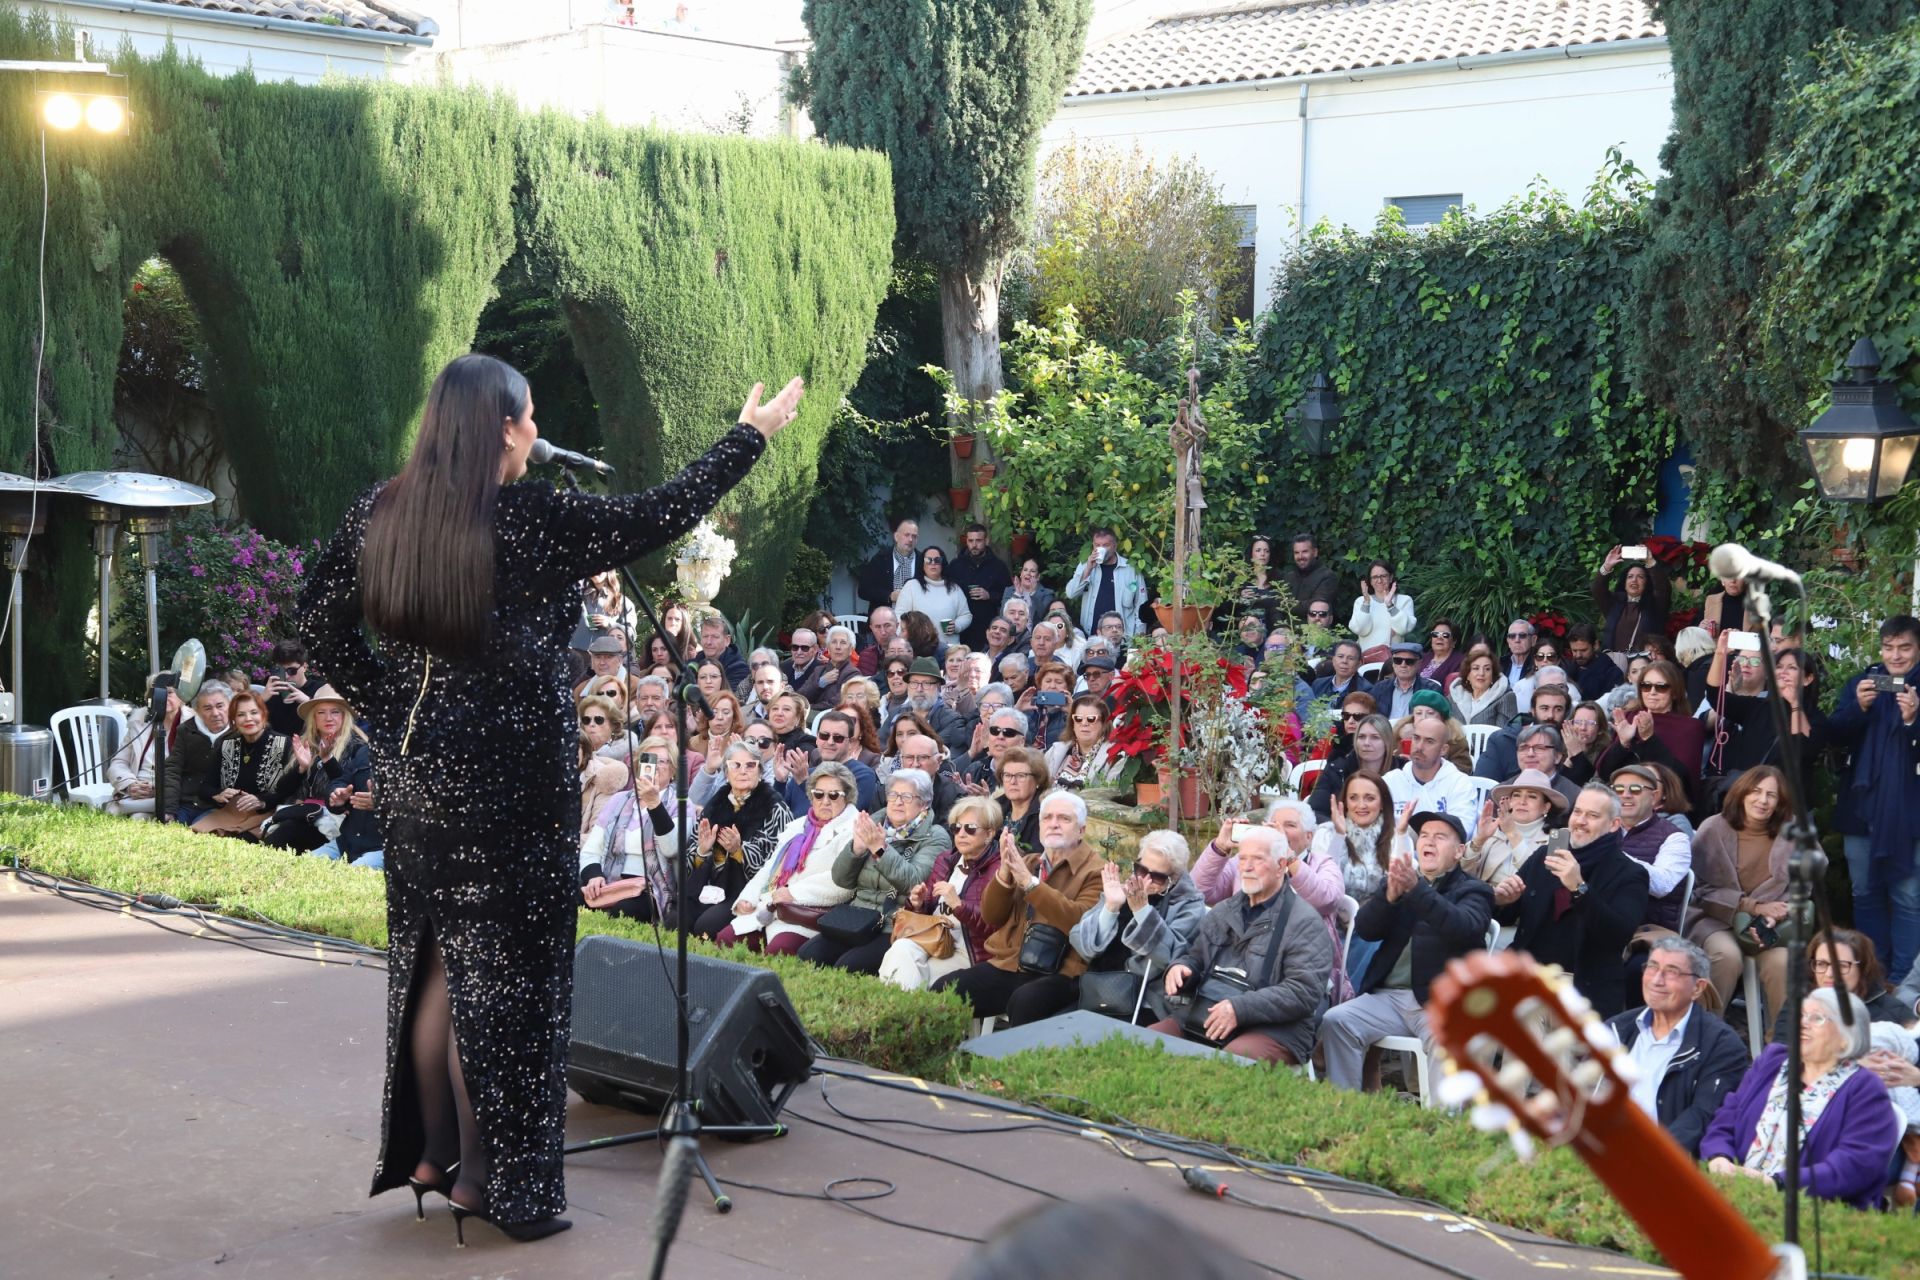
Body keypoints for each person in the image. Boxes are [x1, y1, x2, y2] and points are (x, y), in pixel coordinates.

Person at [298, 353, 799, 1241]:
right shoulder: (530, 517)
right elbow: (656, 514)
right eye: (529, 416)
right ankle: (493, 1183)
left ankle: (432, 1155)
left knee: (437, 969)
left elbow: (319, 617)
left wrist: (381, 697)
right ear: (502, 426)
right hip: (510, 783)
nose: (537, 429)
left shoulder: (384, 508)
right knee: (517, 988)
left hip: (417, 776)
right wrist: (747, 439)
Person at [1319, 810, 1494, 1090]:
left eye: (1440, 837)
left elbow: (1465, 928)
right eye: (1424, 835)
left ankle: (1442, 1126)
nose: (1429, 841)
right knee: (1337, 1021)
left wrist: (1417, 891)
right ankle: (1346, 1110)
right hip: (1388, 998)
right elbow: (1365, 929)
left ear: (1460, 851)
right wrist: (1388, 898)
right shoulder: (1401, 881)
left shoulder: (1474, 890)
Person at [1701, 988, 1901, 1208]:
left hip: (1807, 1208)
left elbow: (1856, 1164)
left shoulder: (1865, 1088)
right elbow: (1727, 1116)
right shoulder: (1772, 1061)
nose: (1803, 1024)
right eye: (1801, 1016)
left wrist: (1776, 1184)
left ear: (1846, 1037)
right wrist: (1719, 1156)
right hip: (1735, 1189)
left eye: (1817, 1018)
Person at [1151, 825, 1333, 1063]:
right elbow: (1195, 956)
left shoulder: (1305, 922)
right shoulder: (1225, 910)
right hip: (1206, 1012)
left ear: (1281, 865)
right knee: (1144, 1044)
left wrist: (1240, 1009)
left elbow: (1303, 992)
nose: (1246, 867)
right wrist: (1182, 968)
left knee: (1227, 1065)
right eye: (1243, 858)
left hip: (1275, 1028)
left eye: (1257, 859)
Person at [933, 790, 1104, 1024]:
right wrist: (1004, 875)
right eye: (1047, 818)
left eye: (1064, 819)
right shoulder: (1029, 862)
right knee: (945, 989)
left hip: (1062, 971)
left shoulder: (1096, 871)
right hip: (1011, 963)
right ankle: (947, 1059)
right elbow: (992, 916)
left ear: (1081, 830)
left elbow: (1078, 922)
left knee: (1026, 1001)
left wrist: (1030, 884)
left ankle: (1007, 1061)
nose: (1053, 824)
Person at [1497, 783, 1650, 1018]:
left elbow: (1618, 934)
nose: (1580, 821)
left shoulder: (1629, 874)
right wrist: (1503, 899)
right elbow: (1505, 914)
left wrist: (1579, 888)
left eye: (1592, 815)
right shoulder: (1545, 856)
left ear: (1613, 825)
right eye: (1578, 812)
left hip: (1580, 985)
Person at [1829, 615, 1920, 983]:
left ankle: (1905, 982)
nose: (1895, 656)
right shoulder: (1862, 682)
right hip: (1862, 809)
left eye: (1904, 648)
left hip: (1909, 812)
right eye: (1888, 647)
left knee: (1908, 897)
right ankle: (1873, 976)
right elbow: (1834, 734)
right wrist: (1858, 709)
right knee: (1863, 891)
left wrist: (1914, 720)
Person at [1601, 937, 1751, 1156]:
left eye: (1671, 972)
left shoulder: (1721, 1045)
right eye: (1652, 967)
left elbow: (1703, 1115)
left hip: (1659, 1162)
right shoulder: (1616, 1029)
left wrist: (1649, 1156)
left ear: (1698, 988)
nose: (1656, 980)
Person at [797, 768, 952, 972]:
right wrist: (856, 850)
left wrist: (880, 849)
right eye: (893, 795)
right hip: (856, 918)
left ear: (924, 803)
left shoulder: (935, 837)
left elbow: (914, 882)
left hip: (893, 925)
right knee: (808, 955)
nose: (897, 802)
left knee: (848, 967)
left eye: (906, 797)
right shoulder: (872, 824)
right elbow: (841, 879)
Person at [714, 762, 860, 955]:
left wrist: (794, 894)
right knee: (725, 940)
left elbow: (843, 883)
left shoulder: (853, 830)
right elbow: (770, 868)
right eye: (819, 794)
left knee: (779, 951)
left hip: (808, 914)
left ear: (847, 798)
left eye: (833, 795)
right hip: (770, 907)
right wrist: (748, 898)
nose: (825, 801)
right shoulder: (797, 826)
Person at [1069, 829, 1208, 1023]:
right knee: (1032, 998)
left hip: (1146, 997)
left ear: (1174, 877)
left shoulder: (1189, 904)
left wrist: (1143, 912)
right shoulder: (1126, 888)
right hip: (1096, 986)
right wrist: (1111, 907)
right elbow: (1080, 943)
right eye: (1141, 870)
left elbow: (1171, 956)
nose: (1145, 880)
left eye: (1157, 877)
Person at [1686, 767, 1792, 1019]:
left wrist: (1776, 914)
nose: (1763, 800)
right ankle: (1706, 1036)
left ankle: (1780, 1049)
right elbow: (1701, 889)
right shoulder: (1713, 828)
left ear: (1780, 802)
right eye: (1756, 792)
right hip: (1715, 921)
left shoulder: (1793, 835)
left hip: (1770, 926)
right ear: (1742, 793)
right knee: (1727, 956)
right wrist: (1752, 907)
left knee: (1782, 963)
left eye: (1771, 795)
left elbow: (1804, 886)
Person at [885, 795, 1005, 991]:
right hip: (933, 937)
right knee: (899, 951)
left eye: (971, 829)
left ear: (990, 834)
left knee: (920, 979)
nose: (961, 834)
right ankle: (902, 1013)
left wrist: (958, 905)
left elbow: (993, 927)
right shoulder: (947, 859)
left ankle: (899, 1014)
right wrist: (919, 903)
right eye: (956, 828)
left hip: (967, 949)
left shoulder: (999, 868)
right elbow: (929, 909)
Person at [271, 684, 380, 863]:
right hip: (301, 814)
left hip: (333, 822)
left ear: (344, 715)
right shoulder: (305, 742)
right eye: (321, 712)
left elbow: (343, 785)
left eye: (335, 712)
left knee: (287, 833)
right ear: (314, 717)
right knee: (280, 832)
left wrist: (328, 760)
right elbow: (282, 790)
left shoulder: (358, 746)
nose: (328, 718)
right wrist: (301, 769)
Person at [1596, 659, 1706, 810]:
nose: (1652, 692)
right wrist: (1623, 743)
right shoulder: (1630, 718)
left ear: (1674, 692)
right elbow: (1605, 772)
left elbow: (1681, 779)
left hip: (1665, 808)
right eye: (1646, 686)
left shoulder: (1690, 727)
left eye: (1661, 687)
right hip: (1622, 802)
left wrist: (1649, 739)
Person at [191, 690, 296, 836]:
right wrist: (218, 794)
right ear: (233, 720)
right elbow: (205, 787)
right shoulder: (227, 745)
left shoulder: (283, 743)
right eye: (241, 715)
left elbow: (290, 790)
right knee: (195, 833)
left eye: (254, 712)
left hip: (267, 815)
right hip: (229, 813)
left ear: (263, 715)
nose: (248, 719)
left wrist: (262, 801)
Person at [1609, 763, 1692, 932]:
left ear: (1653, 797)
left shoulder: (1675, 837)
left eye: (1635, 789)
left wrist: (1611, 855)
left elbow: (1662, 885)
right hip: (1598, 920)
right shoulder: (1601, 827)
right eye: (1618, 789)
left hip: (1646, 930)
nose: (1625, 795)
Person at [1462, 767, 1563, 890]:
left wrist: (1512, 833)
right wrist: (1479, 840)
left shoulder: (1559, 838)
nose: (1522, 801)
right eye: (1516, 795)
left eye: (1532, 796)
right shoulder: (1494, 828)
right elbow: (1463, 873)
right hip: (1486, 900)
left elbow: (1545, 883)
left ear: (1546, 807)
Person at [1384, 715, 1480, 839]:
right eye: (1416, 738)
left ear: (1443, 750)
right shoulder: (1391, 780)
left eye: (1429, 741)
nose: (1419, 746)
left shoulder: (1460, 784)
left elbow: (1462, 832)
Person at [105, 678, 186, 818]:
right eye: (157, 693)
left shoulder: (192, 725)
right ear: (150, 698)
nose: (163, 697)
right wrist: (130, 786)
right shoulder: (139, 723)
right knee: (132, 818)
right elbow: (118, 763)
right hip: (137, 792)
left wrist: (160, 789)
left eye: (170, 692)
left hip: (172, 794)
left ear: (182, 697)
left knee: (138, 819)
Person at [1308, 706, 1401, 823]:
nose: (1366, 743)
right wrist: (1340, 830)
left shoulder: (1402, 771)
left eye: (1375, 737)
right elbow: (1315, 811)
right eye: (1361, 737)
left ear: (1387, 742)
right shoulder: (1337, 770)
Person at [1473, 683, 1574, 783]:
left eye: (1558, 709)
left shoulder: (1571, 743)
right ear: (1532, 711)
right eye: (1544, 708)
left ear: (1566, 713)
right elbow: (1483, 783)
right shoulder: (1502, 740)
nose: (1550, 715)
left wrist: (1573, 759)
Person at [164, 680, 231, 825]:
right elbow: (172, 770)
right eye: (207, 708)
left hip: (220, 807)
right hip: (187, 803)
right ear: (197, 711)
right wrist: (169, 810)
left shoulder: (239, 732)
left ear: (230, 706)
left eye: (220, 706)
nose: (215, 713)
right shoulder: (186, 730)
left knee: (200, 831)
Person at [1593, 544, 1672, 666]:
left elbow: (1663, 589)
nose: (1634, 580)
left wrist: (1650, 561)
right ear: (1624, 583)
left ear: (1647, 583)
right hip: (1613, 665)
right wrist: (1607, 566)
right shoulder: (1614, 602)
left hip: (1644, 665)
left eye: (1640, 577)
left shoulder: (1655, 605)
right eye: (1630, 577)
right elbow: (1598, 590)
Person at [1065, 527, 1147, 638]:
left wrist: (1139, 638)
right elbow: (1070, 594)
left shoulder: (1130, 569)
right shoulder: (1085, 565)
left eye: (1105, 545)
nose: (1100, 548)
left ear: (1115, 546)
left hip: (1122, 640)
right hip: (1092, 638)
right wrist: (1088, 570)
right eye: (1097, 545)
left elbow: (1141, 605)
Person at [947, 523, 1013, 648]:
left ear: (986, 541)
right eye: (971, 540)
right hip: (961, 627)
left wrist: (989, 595)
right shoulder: (956, 565)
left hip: (987, 626)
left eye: (978, 540)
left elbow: (1008, 596)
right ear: (966, 541)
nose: (974, 545)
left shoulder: (998, 566)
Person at [895, 545, 970, 647]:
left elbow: (966, 615)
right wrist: (903, 640)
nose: (933, 563)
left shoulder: (954, 588)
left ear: (942, 563)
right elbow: (899, 615)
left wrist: (956, 626)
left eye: (937, 560)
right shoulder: (911, 586)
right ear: (922, 564)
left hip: (949, 650)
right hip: (919, 647)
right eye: (928, 560)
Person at [1044, 693, 1118, 789]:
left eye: (1091, 719)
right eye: (1078, 719)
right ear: (1072, 723)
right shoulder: (1055, 751)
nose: (1084, 723)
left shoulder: (1115, 755)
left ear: (1104, 724)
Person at [1349, 560, 1416, 662]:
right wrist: (1367, 602)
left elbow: (1403, 629)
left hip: (1393, 663)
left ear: (1391, 577)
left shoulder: (1404, 600)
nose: (1379, 580)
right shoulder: (1361, 601)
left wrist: (1390, 605)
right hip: (1365, 661)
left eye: (1383, 576)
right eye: (1375, 577)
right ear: (1370, 581)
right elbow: (1361, 630)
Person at [260, 638, 323, 737]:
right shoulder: (271, 692)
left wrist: (308, 703)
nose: (287, 676)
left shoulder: (320, 690)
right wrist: (261, 700)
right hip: (277, 749)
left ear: (304, 667)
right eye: (280, 671)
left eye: (292, 671)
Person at [857, 516, 919, 614]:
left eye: (914, 536)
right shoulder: (881, 559)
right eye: (907, 535)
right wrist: (889, 596)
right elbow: (863, 590)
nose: (910, 539)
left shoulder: (923, 561)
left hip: (915, 621)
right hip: (884, 621)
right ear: (896, 536)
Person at [1368, 641, 1441, 720]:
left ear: (1419, 664)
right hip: (1384, 731)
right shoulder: (1379, 688)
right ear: (1393, 663)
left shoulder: (1431, 690)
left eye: (1409, 661)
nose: (1403, 665)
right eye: (1398, 660)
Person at [1278, 533, 1339, 624]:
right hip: (1286, 632)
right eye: (1296, 553)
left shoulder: (1328, 577)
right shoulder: (1288, 577)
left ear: (1315, 552)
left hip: (1315, 633)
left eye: (1305, 551)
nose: (1300, 556)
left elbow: (1316, 608)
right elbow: (1278, 607)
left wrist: (1287, 604)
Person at [1450, 645, 1514, 728]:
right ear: (1468, 675)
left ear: (1493, 675)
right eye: (1476, 668)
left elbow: (1503, 735)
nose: (1481, 673)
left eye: (1487, 669)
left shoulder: (1506, 698)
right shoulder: (1455, 695)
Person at [1559, 701, 1613, 786]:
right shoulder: (1560, 750)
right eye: (1577, 722)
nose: (1582, 728)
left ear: (1600, 729)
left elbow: (1589, 783)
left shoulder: (1606, 755)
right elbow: (1559, 786)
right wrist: (1569, 759)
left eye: (1590, 723)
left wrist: (1577, 752)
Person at [698, 612, 750, 688]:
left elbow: (729, 697)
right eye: (705, 636)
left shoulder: (738, 668)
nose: (708, 642)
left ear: (727, 640)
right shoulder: (693, 664)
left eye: (715, 637)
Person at [1309, 640, 1366, 704]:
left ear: (1359, 664)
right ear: (1333, 660)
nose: (1344, 661)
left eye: (1351, 658)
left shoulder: (1365, 690)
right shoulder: (1318, 684)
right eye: (1340, 656)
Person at [1002, 556, 1057, 622]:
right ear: (1021, 574)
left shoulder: (1047, 594)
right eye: (1025, 570)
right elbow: (1003, 615)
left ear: (1038, 577)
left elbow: (1044, 617)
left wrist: (1033, 594)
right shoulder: (1009, 591)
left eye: (1032, 571)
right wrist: (1017, 595)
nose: (1028, 573)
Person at [1422, 618, 1463, 691]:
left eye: (1445, 635)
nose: (1439, 638)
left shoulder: (1460, 661)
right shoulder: (1423, 658)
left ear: (1454, 641)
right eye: (1435, 634)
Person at [1501, 619, 1539, 688]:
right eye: (1512, 636)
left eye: (1522, 635)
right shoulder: (1500, 664)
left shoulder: (1538, 664)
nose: (1517, 640)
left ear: (1533, 640)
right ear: (1508, 642)